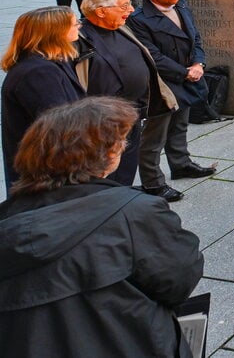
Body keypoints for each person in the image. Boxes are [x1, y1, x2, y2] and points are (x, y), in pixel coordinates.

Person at [0, 97, 203, 356]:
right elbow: (180, 277)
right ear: (106, 155)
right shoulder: (134, 213)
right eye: (120, 143)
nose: (123, 147)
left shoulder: (8, 219)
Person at [127, 0, 217, 202]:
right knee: (155, 135)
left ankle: (181, 164)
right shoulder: (138, 19)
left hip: (188, 76)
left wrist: (199, 63)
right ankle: (153, 183)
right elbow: (151, 55)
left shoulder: (181, 4)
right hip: (163, 83)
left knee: (180, 125)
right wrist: (185, 72)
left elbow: (195, 37)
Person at [76, 0, 177, 185]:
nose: (131, 10)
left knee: (126, 166)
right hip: (102, 121)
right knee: (103, 172)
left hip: (131, 113)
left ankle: (123, 196)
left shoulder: (122, 27)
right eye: (124, 6)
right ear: (101, 11)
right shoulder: (80, 38)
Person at [1, 7, 85, 190]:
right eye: (74, 23)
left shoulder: (51, 62)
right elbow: (59, 125)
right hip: (46, 174)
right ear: (55, 32)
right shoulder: (38, 72)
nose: (79, 26)